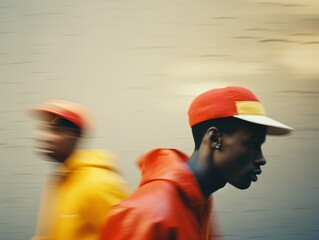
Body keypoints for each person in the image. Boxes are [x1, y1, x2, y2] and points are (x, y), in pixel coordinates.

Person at [100, 86, 293, 240]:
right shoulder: (147, 213)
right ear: (215, 138)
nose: (261, 158)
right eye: (252, 144)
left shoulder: (200, 201)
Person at [30, 99, 130, 240]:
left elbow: (127, 235)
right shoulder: (60, 180)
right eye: (43, 128)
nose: (43, 137)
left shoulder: (99, 183)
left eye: (54, 130)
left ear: (74, 137)